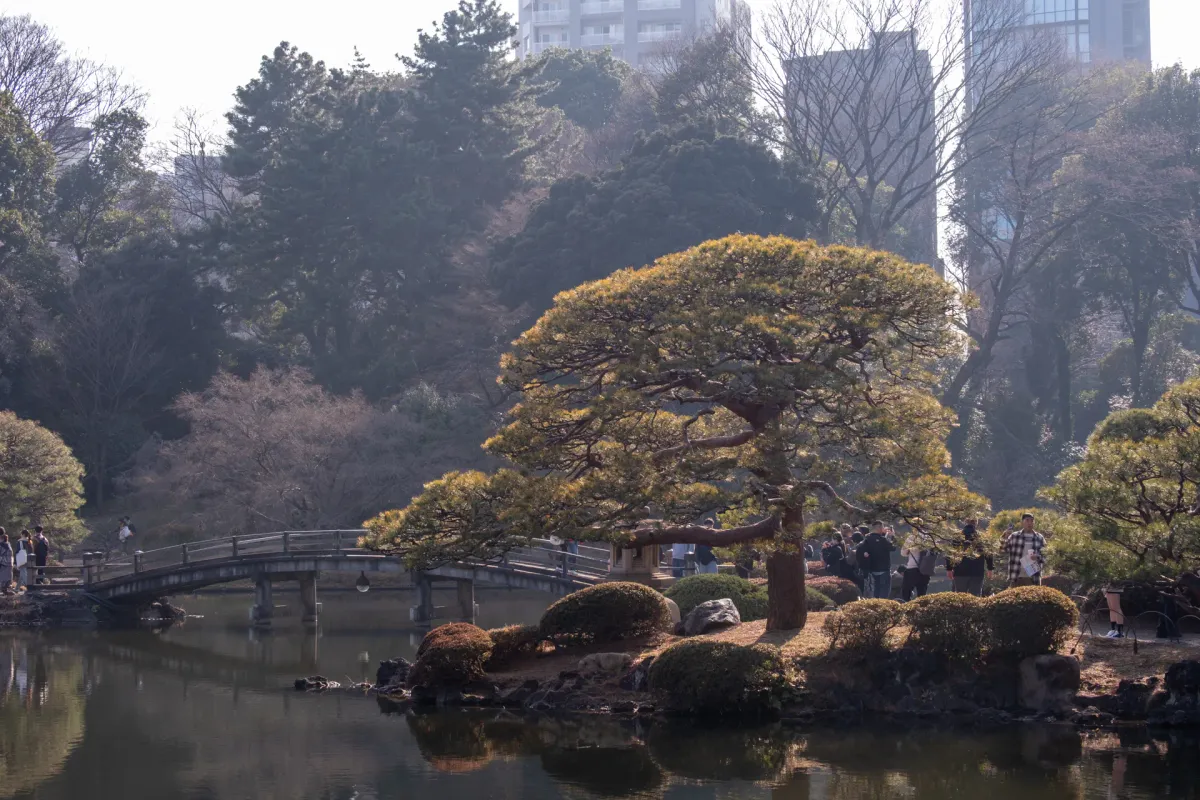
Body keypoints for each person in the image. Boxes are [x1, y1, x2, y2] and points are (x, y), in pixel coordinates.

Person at [946, 520, 993, 596]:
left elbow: (950, 553)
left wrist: (949, 569)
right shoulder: (982, 537)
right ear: (976, 522)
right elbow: (989, 554)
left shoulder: (957, 536)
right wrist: (990, 568)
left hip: (959, 571)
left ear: (965, 522)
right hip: (977, 572)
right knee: (975, 597)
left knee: (960, 597)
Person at [1002, 513, 1045, 587]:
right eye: (1027, 520)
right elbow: (1003, 549)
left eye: (1032, 521)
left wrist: (1037, 557)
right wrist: (1005, 537)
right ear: (1022, 522)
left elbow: (1046, 555)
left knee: (1034, 597)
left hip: (1033, 575)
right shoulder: (1014, 536)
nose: (1030, 523)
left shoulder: (1039, 537)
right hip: (1017, 574)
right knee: (1014, 597)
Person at [857, 521, 896, 599]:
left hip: (873, 570)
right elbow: (893, 547)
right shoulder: (883, 540)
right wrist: (892, 536)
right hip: (884, 569)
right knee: (884, 592)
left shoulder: (867, 539)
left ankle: (876, 605)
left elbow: (860, 548)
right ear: (880, 528)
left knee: (876, 592)